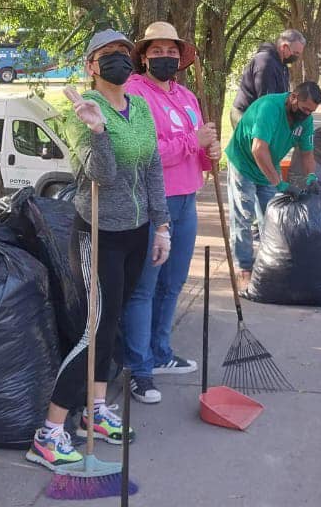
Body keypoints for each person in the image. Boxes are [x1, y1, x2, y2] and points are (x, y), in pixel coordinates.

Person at [26, 29, 169, 473]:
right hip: (98, 234)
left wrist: (162, 225)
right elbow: (101, 176)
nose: (120, 62)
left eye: (124, 54)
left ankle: (95, 410)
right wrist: (97, 128)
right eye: (108, 56)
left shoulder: (141, 106)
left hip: (137, 231)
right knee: (94, 330)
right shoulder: (80, 113)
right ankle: (49, 432)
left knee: (111, 325)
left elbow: (152, 168)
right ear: (92, 66)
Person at [121, 22, 220, 404]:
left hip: (187, 200)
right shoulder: (134, 94)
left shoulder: (187, 96)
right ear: (144, 57)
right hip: (151, 203)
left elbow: (196, 147)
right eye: (157, 52)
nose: (166, 58)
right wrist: (189, 142)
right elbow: (143, 154)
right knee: (144, 288)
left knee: (173, 283)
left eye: (172, 52)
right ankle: (140, 369)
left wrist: (209, 153)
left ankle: (161, 353)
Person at [224, 81, 321, 281]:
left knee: (271, 216)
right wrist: (279, 183)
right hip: (243, 163)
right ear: (293, 97)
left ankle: (268, 262)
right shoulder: (269, 108)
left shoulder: (305, 121)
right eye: (304, 109)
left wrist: (311, 176)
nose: (306, 114)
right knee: (244, 214)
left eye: (311, 111)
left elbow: (307, 154)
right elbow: (258, 148)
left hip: (269, 164)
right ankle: (244, 266)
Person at [229, 29, 306, 125]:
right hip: (246, 114)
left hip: (261, 113)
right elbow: (266, 100)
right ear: (284, 47)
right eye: (296, 53)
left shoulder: (282, 64)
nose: (297, 57)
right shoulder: (266, 62)